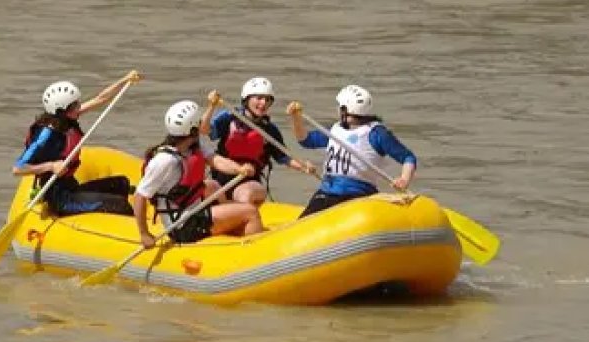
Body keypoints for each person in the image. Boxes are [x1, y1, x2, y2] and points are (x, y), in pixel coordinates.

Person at [134, 100, 264, 248]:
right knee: (251, 212)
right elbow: (140, 196)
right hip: (184, 225)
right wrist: (144, 233)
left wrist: (239, 169)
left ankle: (233, 223)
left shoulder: (193, 145)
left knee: (212, 185)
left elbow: (215, 160)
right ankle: (253, 251)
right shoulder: (165, 160)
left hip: (194, 210)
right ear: (193, 129)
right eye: (199, 123)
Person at [13, 71, 141, 217]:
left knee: (121, 183)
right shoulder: (46, 135)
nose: (79, 107)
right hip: (60, 198)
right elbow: (18, 169)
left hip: (71, 187)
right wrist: (51, 166)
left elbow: (101, 99)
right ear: (63, 110)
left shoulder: (66, 119)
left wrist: (125, 80)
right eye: (75, 105)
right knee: (119, 204)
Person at [287, 85, 418, 218]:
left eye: (339, 106)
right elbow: (305, 140)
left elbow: (408, 158)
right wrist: (296, 118)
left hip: (358, 195)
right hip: (327, 193)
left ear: (345, 109)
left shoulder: (376, 134)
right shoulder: (336, 130)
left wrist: (404, 179)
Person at [199, 77, 316, 207]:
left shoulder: (269, 130)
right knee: (204, 188)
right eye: (259, 98)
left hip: (250, 181)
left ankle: (243, 218)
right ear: (247, 99)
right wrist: (211, 106)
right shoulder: (230, 118)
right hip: (221, 178)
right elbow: (204, 130)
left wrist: (304, 166)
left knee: (245, 195)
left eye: (267, 99)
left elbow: (284, 158)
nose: (263, 103)